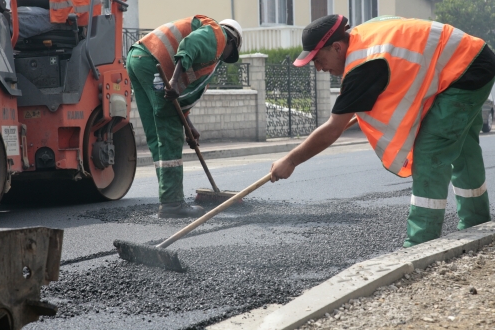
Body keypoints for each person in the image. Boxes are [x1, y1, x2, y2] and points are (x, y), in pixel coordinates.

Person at [270, 14, 495, 247]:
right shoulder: (364, 39)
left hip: (465, 71)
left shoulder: (363, 64)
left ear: (337, 47)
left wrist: (291, 160)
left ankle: (420, 243)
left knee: (430, 151)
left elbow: (333, 128)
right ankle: (477, 223)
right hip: (473, 57)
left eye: (318, 59)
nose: (318, 68)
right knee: (463, 146)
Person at [126, 16, 243, 218]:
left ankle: (167, 198)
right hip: (155, 62)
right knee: (170, 133)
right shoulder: (218, 34)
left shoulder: (208, 63)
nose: (225, 58)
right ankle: (172, 204)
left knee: (158, 134)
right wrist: (172, 80)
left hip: (138, 59)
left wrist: (189, 128)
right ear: (232, 42)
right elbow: (189, 45)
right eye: (230, 53)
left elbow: (180, 100)